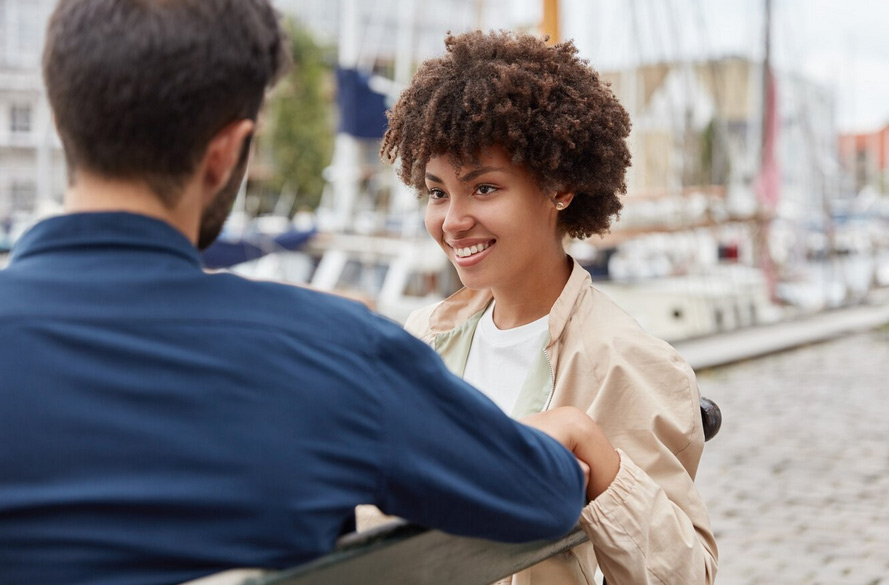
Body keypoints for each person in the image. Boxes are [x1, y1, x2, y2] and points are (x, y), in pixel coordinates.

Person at [0, 4, 608, 585]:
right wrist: (560, 432)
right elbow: (543, 495)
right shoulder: (333, 354)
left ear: (62, 122)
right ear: (227, 153)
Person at [377, 30, 719, 585]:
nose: (453, 220)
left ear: (559, 187)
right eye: (437, 192)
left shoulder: (623, 361)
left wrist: (589, 446)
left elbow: (686, 575)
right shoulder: (423, 338)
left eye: (483, 188)